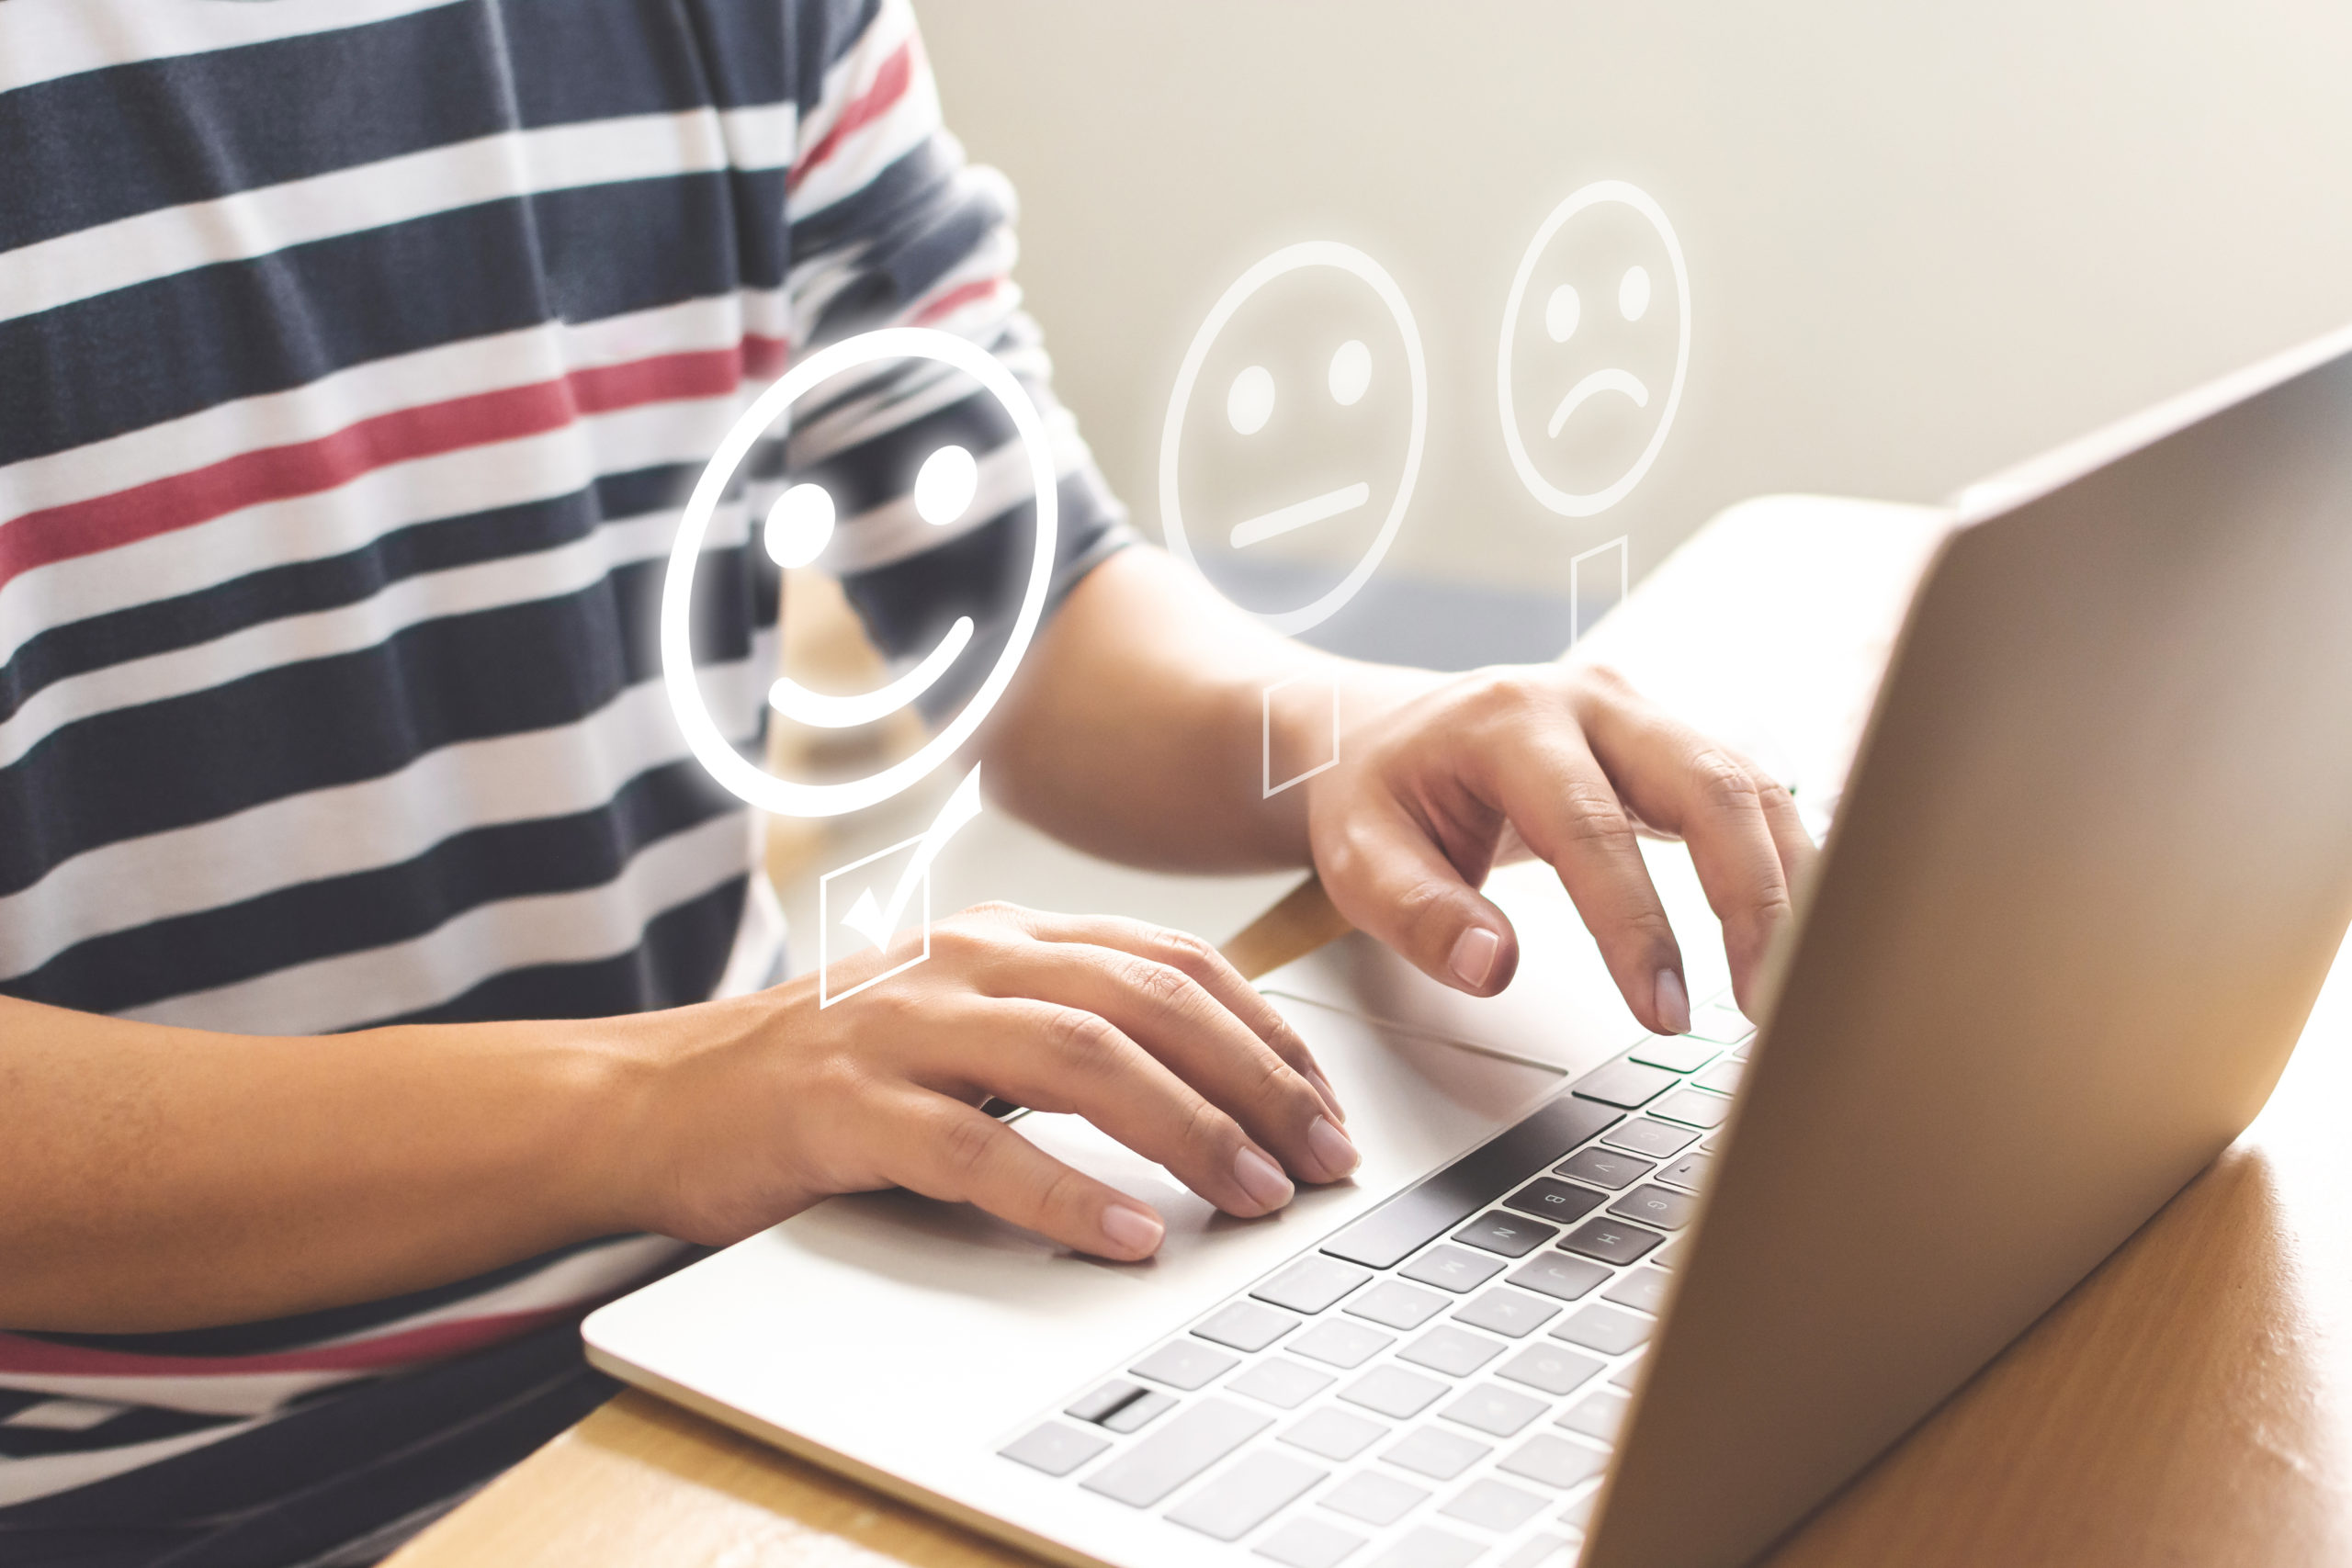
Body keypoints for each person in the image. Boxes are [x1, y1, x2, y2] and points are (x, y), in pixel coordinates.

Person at [0, 1, 1811, 1561]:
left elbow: (1017, 603)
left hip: (707, 1338)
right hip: (161, 1489)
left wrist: (1338, 736)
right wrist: (668, 1100)